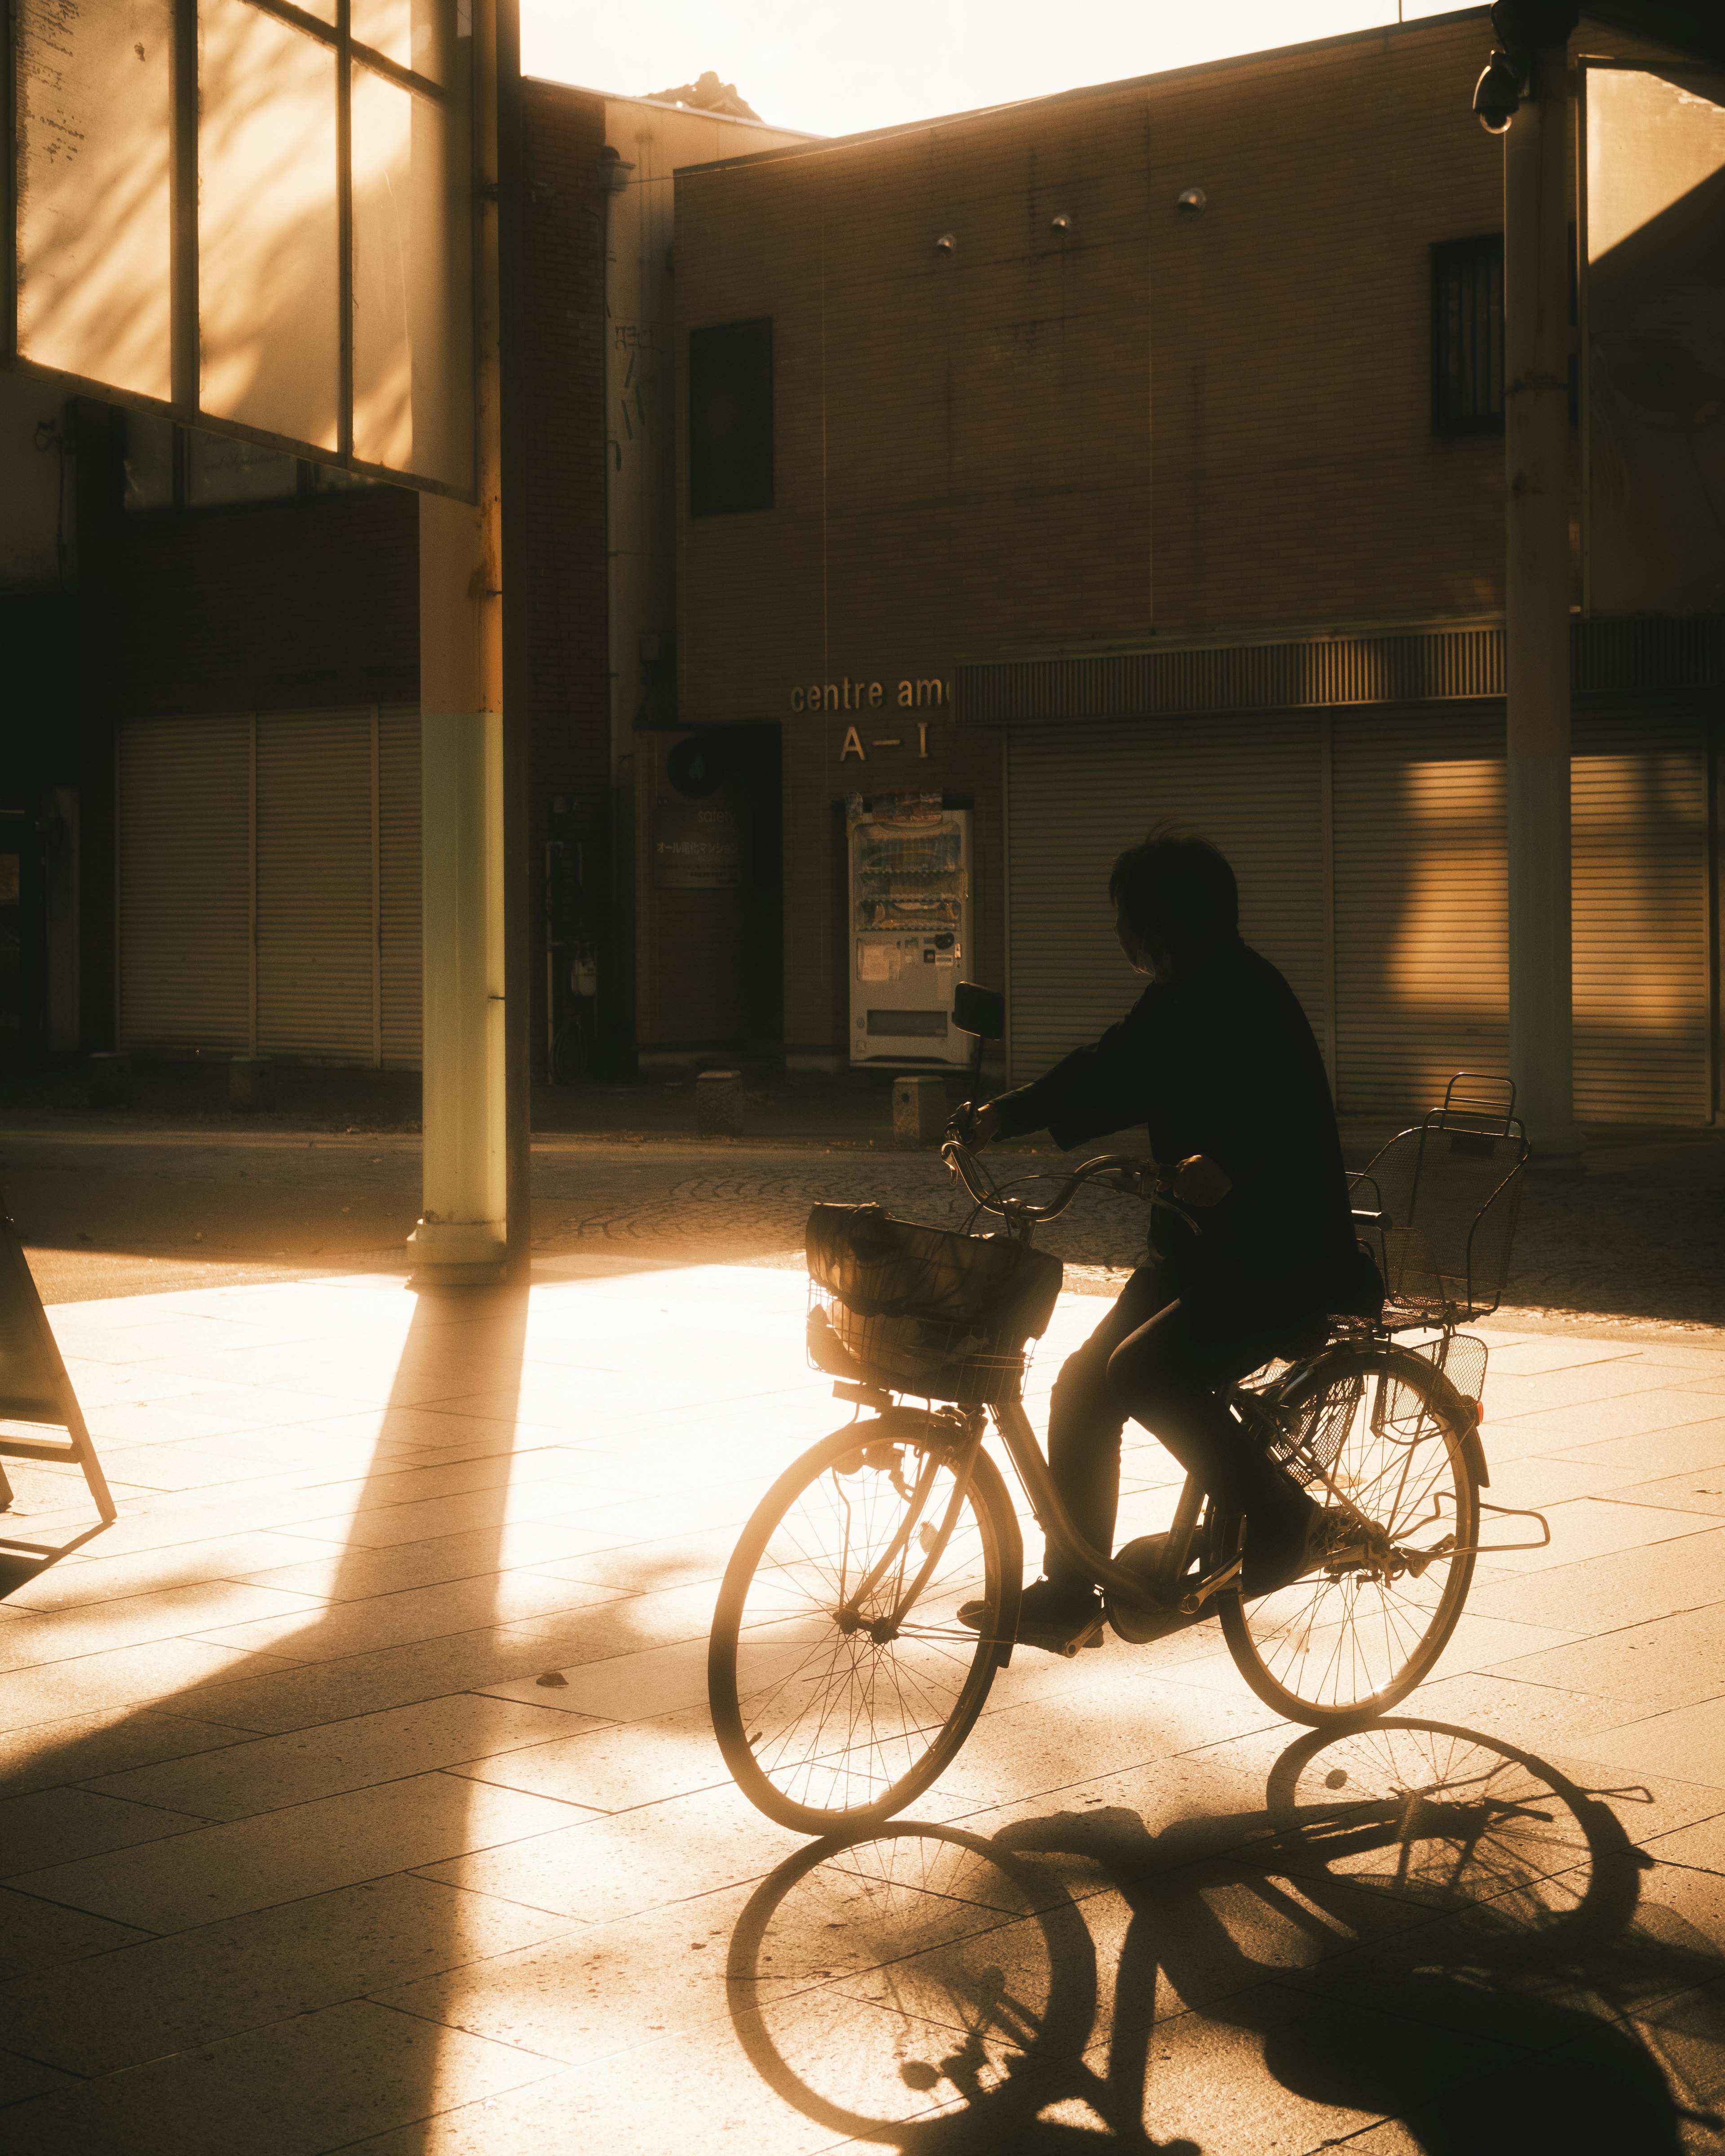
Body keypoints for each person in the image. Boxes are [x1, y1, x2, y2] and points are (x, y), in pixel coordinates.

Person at [954, 822, 1378, 1652]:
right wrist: (1006, 1114)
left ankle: (1283, 1519)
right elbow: (1112, 1067)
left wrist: (1226, 1164)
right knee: (1082, 1387)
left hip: (1280, 1259)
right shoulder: (1183, 990)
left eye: (1123, 917)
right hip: (1199, 1253)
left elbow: (1284, 1114)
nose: (1117, 934)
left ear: (1159, 924)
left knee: (1145, 1372)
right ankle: (1073, 1590)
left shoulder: (1248, 993)